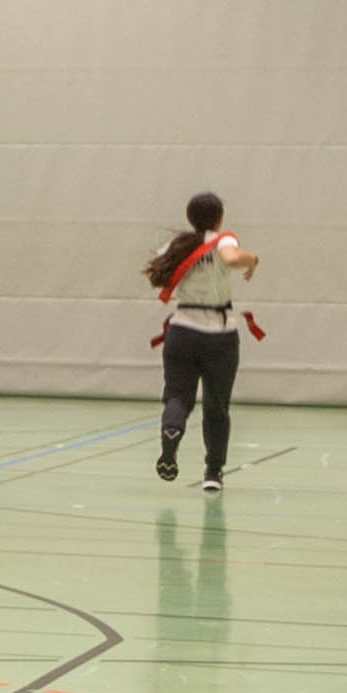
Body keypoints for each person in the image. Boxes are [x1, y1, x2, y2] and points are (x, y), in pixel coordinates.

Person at [143, 192, 260, 489]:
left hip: (182, 330)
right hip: (219, 335)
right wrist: (253, 259)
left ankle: (171, 430)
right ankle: (213, 473)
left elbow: (157, 268)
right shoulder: (223, 240)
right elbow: (232, 259)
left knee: (177, 397)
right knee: (216, 405)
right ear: (219, 217)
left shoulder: (177, 245)